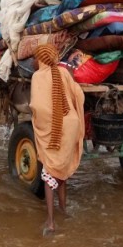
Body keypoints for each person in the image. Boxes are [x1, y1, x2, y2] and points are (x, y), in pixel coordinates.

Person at [31, 44, 85, 234]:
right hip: (72, 125)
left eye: (35, 58)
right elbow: (78, 93)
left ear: (40, 59)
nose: (33, 61)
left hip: (54, 131)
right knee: (62, 171)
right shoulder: (63, 72)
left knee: (49, 174)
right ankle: (63, 210)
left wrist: (41, 124)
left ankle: (50, 222)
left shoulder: (38, 76)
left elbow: (38, 107)